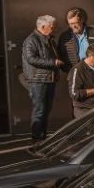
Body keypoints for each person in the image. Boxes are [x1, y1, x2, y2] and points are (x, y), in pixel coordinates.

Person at [20, 14, 59, 142]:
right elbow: (31, 59)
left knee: (46, 111)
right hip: (38, 80)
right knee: (39, 111)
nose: (54, 29)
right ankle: (36, 140)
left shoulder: (49, 39)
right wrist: (53, 62)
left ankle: (43, 138)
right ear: (43, 27)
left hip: (49, 79)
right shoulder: (31, 40)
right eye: (52, 27)